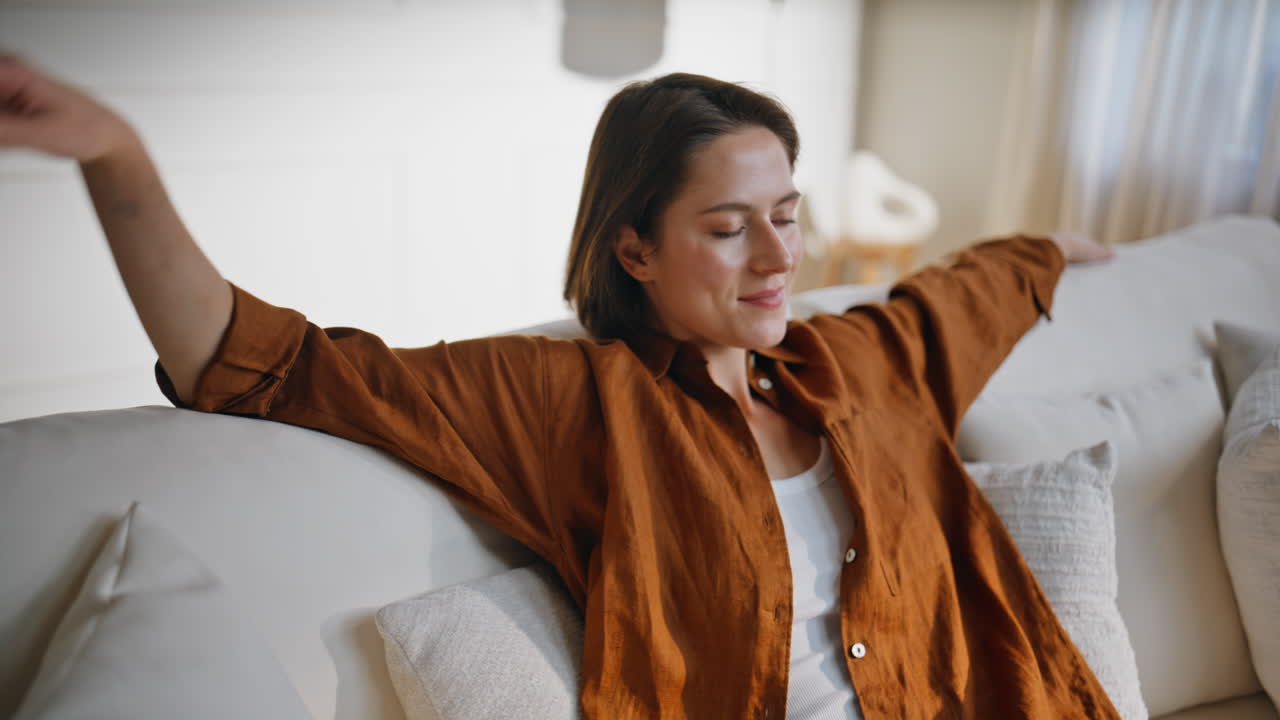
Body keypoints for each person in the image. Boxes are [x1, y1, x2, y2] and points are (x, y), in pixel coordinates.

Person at [1, 55, 1119, 719]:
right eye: (727, 229)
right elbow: (258, 364)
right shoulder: (570, 403)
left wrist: (1061, 247)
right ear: (632, 248)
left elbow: (970, 290)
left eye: (786, 215)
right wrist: (116, 158)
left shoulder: (860, 363)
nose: (780, 259)